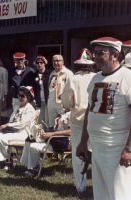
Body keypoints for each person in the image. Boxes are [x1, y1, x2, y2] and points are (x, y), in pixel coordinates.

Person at [76, 37, 131, 200]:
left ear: (115, 55)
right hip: (97, 146)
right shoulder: (95, 78)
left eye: (101, 53)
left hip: (117, 147)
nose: (96, 57)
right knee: (100, 193)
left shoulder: (127, 77)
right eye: (95, 53)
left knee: (119, 193)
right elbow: (89, 110)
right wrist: (83, 141)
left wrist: (129, 149)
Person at [61, 48, 95, 195]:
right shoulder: (97, 76)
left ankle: (80, 186)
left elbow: (66, 103)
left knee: (78, 152)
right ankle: (99, 184)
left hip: (78, 119)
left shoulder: (73, 79)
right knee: (96, 151)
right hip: (94, 119)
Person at [0, 86, 36, 169]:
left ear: (28, 97)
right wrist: (6, 127)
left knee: (2, 139)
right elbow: (11, 120)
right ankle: (2, 158)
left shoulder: (30, 109)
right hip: (14, 131)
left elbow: (22, 124)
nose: (20, 98)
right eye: (19, 95)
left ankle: (7, 161)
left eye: (23, 96)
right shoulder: (18, 107)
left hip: (24, 133)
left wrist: (8, 125)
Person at [20, 111, 71, 177]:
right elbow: (57, 127)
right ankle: (28, 166)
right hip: (55, 139)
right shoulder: (63, 111)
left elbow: (71, 131)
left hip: (64, 142)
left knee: (33, 146)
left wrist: (51, 134)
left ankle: (33, 169)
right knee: (30, 139)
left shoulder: (72, 114)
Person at [47, 54, 73, 127]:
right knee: (52, 124)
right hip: (51, 103)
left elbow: (72, 90)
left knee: (63, 124)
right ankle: (52, 138)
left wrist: (69, 104)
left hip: (62, 104)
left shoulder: (68, 73)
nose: (56, 63)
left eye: (58, 61)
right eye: (54, 61)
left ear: (63, 62)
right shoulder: (52, 74)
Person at [33, 55, 51, 128]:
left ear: (44, 63)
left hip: (48, 100)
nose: (39, 64)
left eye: (41, 62)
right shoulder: (34, 75)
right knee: (39, 120)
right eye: (37, 63)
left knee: (48, 119)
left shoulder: (50, 74)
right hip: (39, 101)